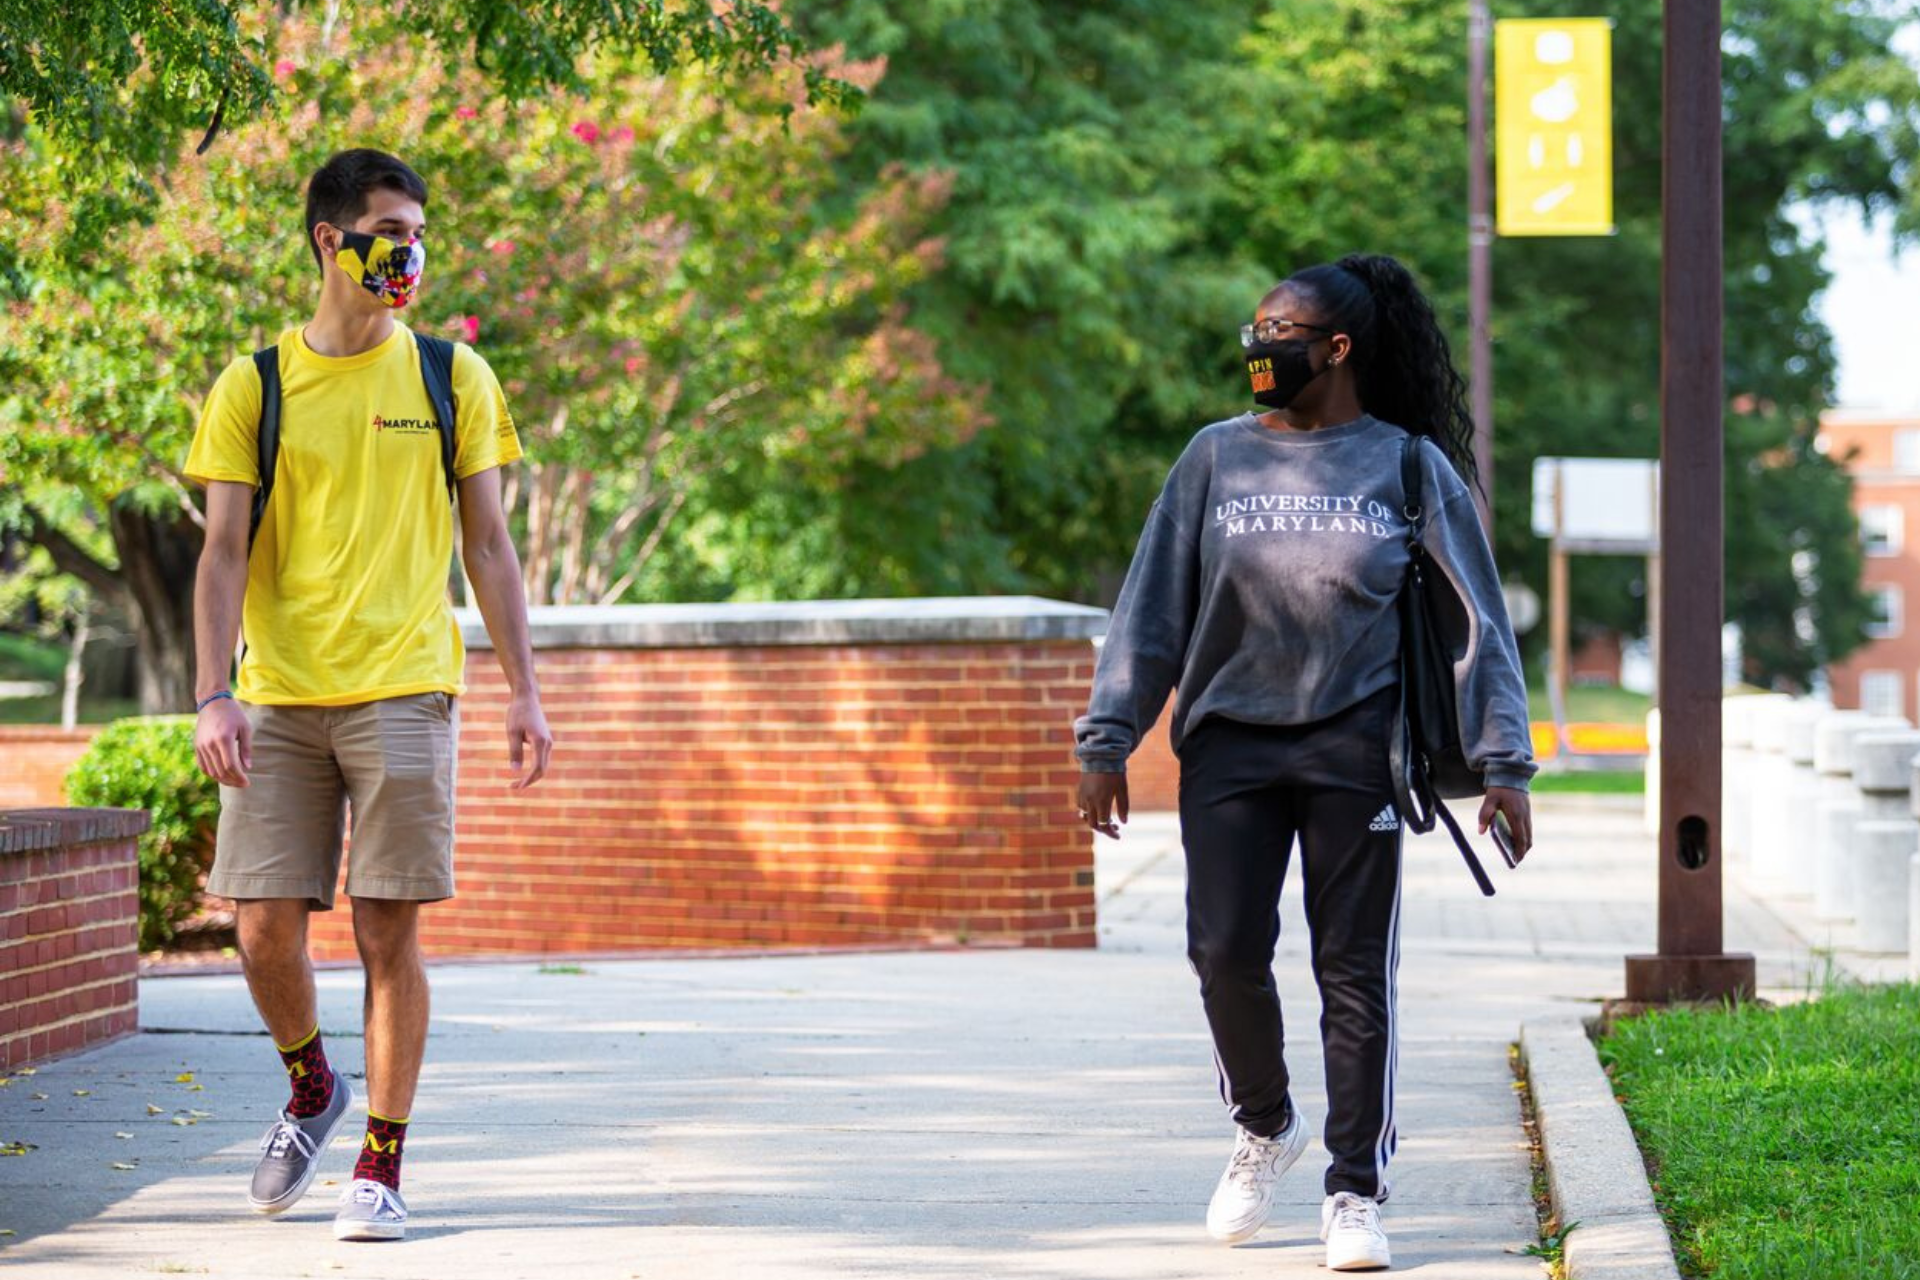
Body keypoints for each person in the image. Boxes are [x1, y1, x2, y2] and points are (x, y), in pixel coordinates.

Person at [1073, 254, 1534, 1271]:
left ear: (1336, 348)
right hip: (1230, 740)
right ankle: (1264, 1121)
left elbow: (1477, 626)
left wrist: (1508, 762)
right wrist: (1107, 738)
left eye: (1280, 329)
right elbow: (1152, 609)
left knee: (1352, 970)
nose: (1259, 344)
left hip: (1355, 743)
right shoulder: (1214, 458)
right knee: (1223, 951)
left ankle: (1355, 1187)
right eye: (1255, 326)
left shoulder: (1409, 467)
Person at [186, 149, 554, 1243]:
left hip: (405, 688)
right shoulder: (254, 385)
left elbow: (489, 545)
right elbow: (219, 554)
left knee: (390, 931)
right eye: (388, 230)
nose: (409, 252)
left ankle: (381, 1164)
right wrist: (214, 692)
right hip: (282, 696)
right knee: (259, 927)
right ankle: (311, 1087)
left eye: (419, 231)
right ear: (327, 240)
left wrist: (525, 691)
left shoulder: (452, 377)